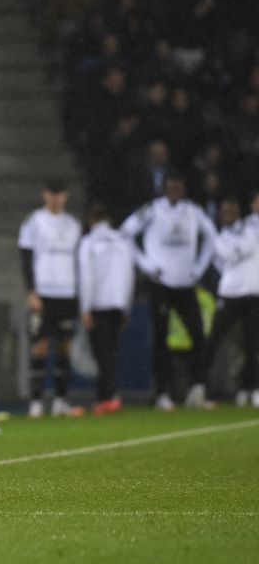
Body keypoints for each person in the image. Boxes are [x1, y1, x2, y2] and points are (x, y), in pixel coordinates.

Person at [121, 172, 217, 410]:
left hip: (186, 283)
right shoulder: (152, 210)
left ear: (183, 189)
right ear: (164, 189)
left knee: (198, 336)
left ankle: (198, 388)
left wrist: (198, 268)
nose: (174, 191)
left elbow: (212, 238)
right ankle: (162, 393)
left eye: (178, 186)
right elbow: (126, 232)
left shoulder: (193, 211)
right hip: (161, 285)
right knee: (161, 340)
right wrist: (146, 265)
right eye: (170, 186)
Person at [18, 178, 82, 418]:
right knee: (41, 347)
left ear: (66, 196)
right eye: (52, 193)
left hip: (67, 292)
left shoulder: (74, 225)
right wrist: (31, 291)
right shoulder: (34, 222)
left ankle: (60, 400)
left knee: (65, 347)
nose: (56, 198)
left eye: (60, 193)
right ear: (45, 195)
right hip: (43, 293)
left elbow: (79, 261)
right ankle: (35, 401)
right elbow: (26, 257)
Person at [77, 204, 135, 415]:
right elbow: (129, 275)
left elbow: (86, 277)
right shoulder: (122, 241)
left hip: (98, 304)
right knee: (111, 352)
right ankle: (106, 396)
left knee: (101, 354)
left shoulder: (89, 242)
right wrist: (127, 304)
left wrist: (85, 307)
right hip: (118, 303)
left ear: (91, 220)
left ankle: (108, 397)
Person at [203, 198, 259, 407]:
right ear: (220, 214)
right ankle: (205, 389)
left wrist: (229, 250)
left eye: (232, 210)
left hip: (253, 294)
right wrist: (229, 250)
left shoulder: (250, 229)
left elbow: (232, 253)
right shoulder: (221, 236)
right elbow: (221, 259)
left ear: (239, 212)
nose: (228, 214)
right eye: (225, 211)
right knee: (214, 341)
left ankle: (251, 389)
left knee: (252, 345)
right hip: (229, 294)